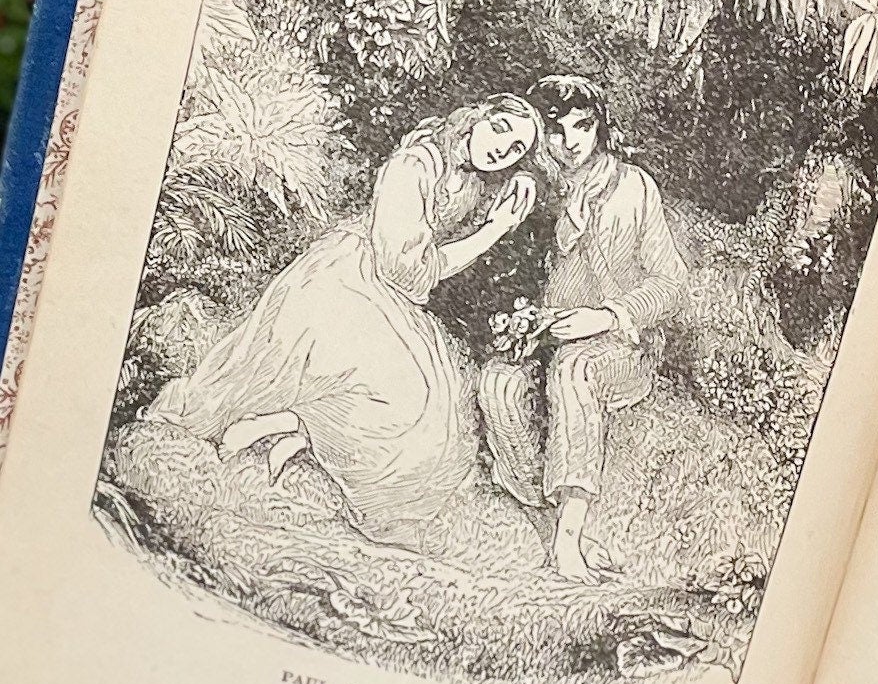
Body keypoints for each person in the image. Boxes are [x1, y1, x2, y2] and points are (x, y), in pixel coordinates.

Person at [149, 97, 542, 550]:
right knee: (406, 394)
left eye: (516, 149)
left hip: (383, 292)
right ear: (476, 117)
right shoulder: (414, 165)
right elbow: (405, 270)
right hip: (342, 281)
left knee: (441, 406)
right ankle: (285, 429)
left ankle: (292, 432)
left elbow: (430, 260)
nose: (502, 150)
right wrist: (493, 231)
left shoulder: (469, 180)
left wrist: (517, 192)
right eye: (500, 129)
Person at [478, 75, 687, 582]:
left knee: (574, 372)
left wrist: (608, 315)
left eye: (583, 126)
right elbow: (508, 275)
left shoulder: (633, 186)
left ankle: (568, 541)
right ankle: (550, 519)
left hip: (621, 342)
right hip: (550, 335)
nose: (571, 141)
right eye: (556, 130)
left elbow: (671, 282)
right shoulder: (532, 189)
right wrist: (528, 323)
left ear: (599, 129)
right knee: (498, 383)